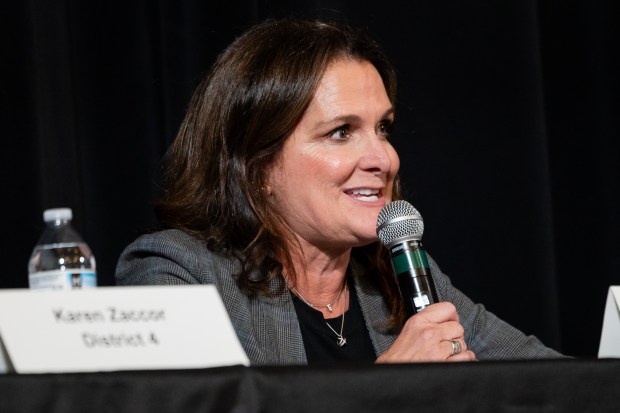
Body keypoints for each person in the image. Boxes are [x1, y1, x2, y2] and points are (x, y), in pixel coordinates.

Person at [115, 18, 563, 365]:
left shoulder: (397, 276)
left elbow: (551, 381)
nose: (384, 160)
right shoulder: (180, 274)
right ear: (257, 166)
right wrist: (389, 392)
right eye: (341, 132)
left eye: (383, 128)